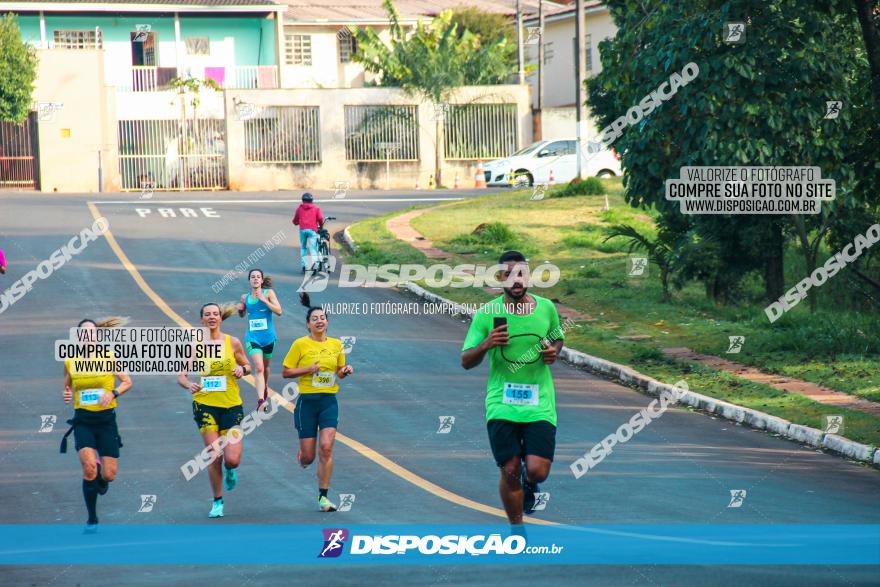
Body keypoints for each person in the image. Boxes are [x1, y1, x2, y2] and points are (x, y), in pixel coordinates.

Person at [460, 250, 564, 529]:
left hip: (539, 402)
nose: (517, 281)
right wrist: (487, 344)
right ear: (500, 279)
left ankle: (530, 485)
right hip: (501, 403)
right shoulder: (487, 314)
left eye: (522, 275)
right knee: (509, 471)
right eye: (510, 276)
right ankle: (516, 530)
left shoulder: (546, 309)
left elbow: (557, 340)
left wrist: (553, 352)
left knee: (537, 471)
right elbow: (466, 361)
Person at [178, 302, 251, 518]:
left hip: (231, 404)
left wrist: (241, 369)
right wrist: (188, 384)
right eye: (207, 314)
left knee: (232, 459)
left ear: (220, 318)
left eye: (215, 314)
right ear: (202, 320)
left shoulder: (233, 342)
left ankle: (230, 470)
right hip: (205, 404)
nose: (212, 317)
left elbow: (247, 366)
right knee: (214, 454)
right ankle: (218, 501)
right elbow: (181, 375)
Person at [282, 293, 354, 512]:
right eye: (315, 318)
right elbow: (286, 372)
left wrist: (345, 371)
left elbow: (338, 371)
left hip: (328, 401)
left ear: (327, 322)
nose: (319, 321)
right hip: (307, 403)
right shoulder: (300, 345)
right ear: (308, 324)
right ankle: (303, 457)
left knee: (326, 447)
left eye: (323, 317)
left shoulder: (336, 344)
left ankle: (323, 497)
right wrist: (308, 369)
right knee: (309, 456)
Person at [60, 317, 133, 533]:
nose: (88, 336)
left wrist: (113, 393)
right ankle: (92, 519)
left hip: (106, 422)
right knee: (89, 467)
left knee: (109, 475)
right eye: (84, 333)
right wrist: (66, 394)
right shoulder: (70, 361)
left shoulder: (109, 357)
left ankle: (102, 476)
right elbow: (67, 385)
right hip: (83, 420)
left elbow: (127, 381)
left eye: (92, 332)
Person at [237, 269, 282, 412]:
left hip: (268, 337)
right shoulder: (245, 297)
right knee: (259, 367)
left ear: (262, 280)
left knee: (265, 368)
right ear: (249, 280)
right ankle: (261, 400)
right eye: (252, 277)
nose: (255, 279)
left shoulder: (269, 293)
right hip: (253, 337)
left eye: (258, 277)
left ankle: (264, 386)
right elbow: (242, 314)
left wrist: (264, 301)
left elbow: (279, 311)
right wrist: (240, 309)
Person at [292, 192, 324, 273]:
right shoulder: (316, 209)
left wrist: (298, 222)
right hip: (313, 230)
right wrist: (321, 226)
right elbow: (320, 218)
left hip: (303, 230)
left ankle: (304, 265)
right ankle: (314, 265)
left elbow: (295, 221)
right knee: (313, 248)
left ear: (303, 200)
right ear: (312, 200)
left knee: (303, 247)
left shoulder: (299, 209)